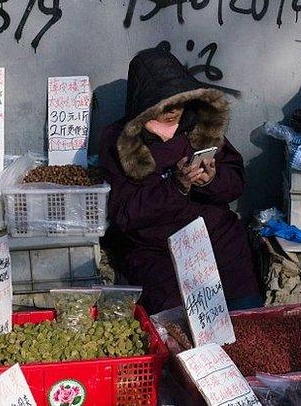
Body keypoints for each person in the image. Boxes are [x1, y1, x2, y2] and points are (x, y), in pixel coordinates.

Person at [99, 47, 261, 314]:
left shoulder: (199, 124)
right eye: (164, 104)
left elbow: (236, 182)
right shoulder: (120, 141)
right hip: (158, 250)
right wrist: (175, 187)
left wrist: (212, 179)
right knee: (180, 333)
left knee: (245, 320)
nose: (174, 109)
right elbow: (124, 214)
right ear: (146, 105)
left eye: (179, 100)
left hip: (216, 240)